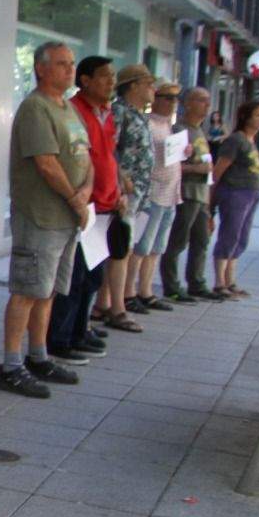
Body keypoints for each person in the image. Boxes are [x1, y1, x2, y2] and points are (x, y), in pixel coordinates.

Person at [0, 42, 90, 399]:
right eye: (62, 64)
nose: (70, 70)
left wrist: (85, 193)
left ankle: (38, 356)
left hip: (67, 217)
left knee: (47, 291)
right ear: (41, 68)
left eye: (71, 64)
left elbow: (86, 156)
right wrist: (74, 199)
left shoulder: (67, 107)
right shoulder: (36, 108)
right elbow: (47, 164)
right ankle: (10, 366)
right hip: (42, 215)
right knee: (26, 290)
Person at [48, 56, 120, 361]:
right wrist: (80, 198)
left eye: (112, 77)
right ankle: (61, 339)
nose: (111, 82)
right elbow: (77, 160)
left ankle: (80, 330)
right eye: (104, 76)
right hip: (82, 206)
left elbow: (107, 158)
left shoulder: (107, 113)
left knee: (92, 276)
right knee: (73, 276)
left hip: (104, 205)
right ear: (86, 80)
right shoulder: (73, 111)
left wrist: (119, 190)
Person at [99, 63, 155, 332]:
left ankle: (103, 302)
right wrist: (122, 180)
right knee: (120, 249)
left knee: (122, 247)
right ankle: (116, 308)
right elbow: (109, 149)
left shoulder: (138, 114)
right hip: (123, 194)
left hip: (137, 194)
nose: (152, 89)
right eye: (148, 83)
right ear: (133, 85)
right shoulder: (120, 112)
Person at [125, 81, 186, 313]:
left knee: (156, 247)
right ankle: (129, 291)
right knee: (141, 246)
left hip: (171, 192)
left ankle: (146, 291)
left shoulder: (171, 126)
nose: (172, 103)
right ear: (156, 99)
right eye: (168, 98)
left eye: (175, 99)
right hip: (152, 192)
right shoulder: (148, 123)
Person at [161, 87, 221, 302]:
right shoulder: (179, 130)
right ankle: (172, 285)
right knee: (178, 240)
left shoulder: (200, 131)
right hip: (186, 193)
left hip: (202, 194)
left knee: (202, 240)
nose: (207, 105)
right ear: (188, 103)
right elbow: (172, 166)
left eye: (208, 100)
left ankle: (196, 282)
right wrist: (197, 169)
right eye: (201, 100)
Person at [211, 100, 259, 298]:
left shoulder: (251, 141)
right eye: (258, 115)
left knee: (241, 237)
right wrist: (211, 201)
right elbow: (218, 171)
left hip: (251, 193)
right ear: (246, 117)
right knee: (230, 235)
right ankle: (219, 282)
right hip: (235, 193)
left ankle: (230, 280)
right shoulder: (236, 140)